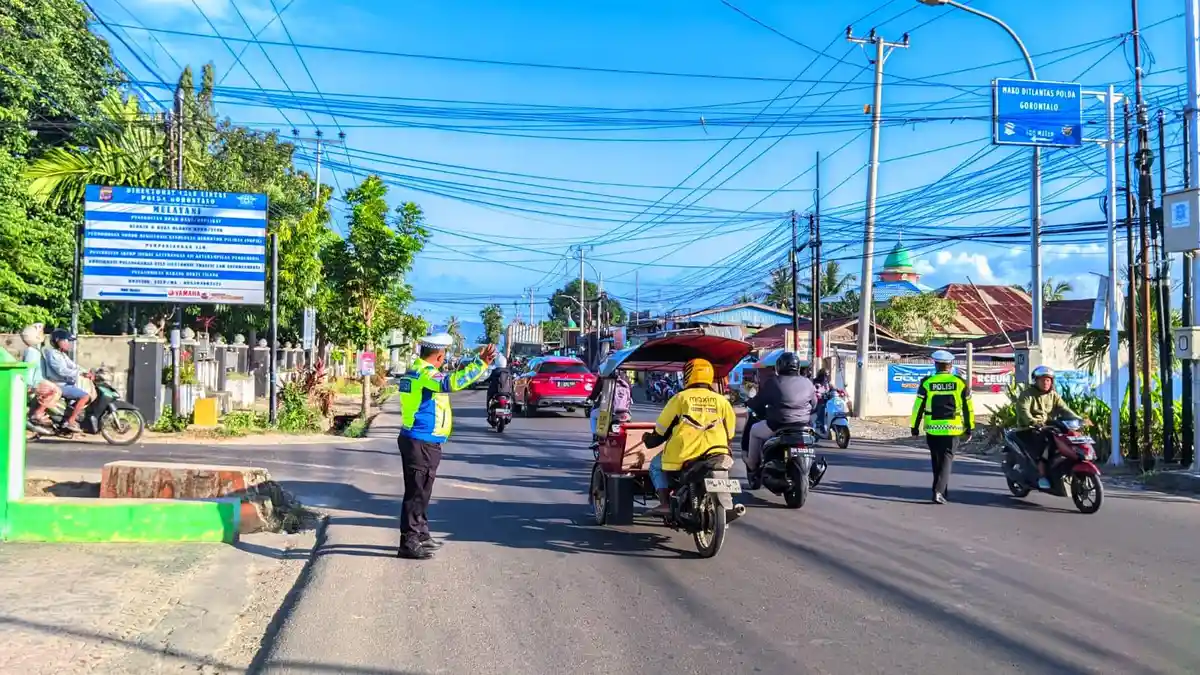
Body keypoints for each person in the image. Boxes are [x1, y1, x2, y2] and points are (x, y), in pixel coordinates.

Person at [395, 333, 495, 560]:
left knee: (422, 491)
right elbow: (452, 383)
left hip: (420, 439)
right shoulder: (425, 373)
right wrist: (480, 364)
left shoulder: (415, 370)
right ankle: (409, 541)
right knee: (417, 493)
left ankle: (421, 534)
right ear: (439, 356)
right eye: (444, 355)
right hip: (421, 440)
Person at [641, 358, 737, 515]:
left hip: (684, 454)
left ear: (687, 375)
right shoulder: (722, 401)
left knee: (655, 465)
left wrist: (649, 440)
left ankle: (665, 504)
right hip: (717, 452)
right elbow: (730, 433)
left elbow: (662, 431)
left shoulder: (680, 398)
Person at [910, 350, 974, 504]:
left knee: (936, 460)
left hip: (933, 429)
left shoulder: (927, 382)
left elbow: (918, 407)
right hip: (952, 429)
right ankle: (939, 491)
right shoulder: (960, 382)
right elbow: (968, 408)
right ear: (950, 365)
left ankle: (940, 490)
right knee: (946, 460)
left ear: (936, 365)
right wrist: (969, 427)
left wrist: (914, 427)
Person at [744, 352, 819, 482]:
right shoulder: (808, 383)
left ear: (779, 367)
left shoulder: (773, 382)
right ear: (797, 366)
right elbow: (814, 404)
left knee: (754, 431)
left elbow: (759, 402)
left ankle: (752, 465)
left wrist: (750, 403)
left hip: (777, 425)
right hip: (803, 425)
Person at [1015, 365, 1078, 490]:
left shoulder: (1053, 395)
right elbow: (1023, 411)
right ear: (1036, 381)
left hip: (1048, 427)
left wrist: (1078, 418)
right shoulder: (1027, 394)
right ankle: (1042, 475)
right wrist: (1033, 421)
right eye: (1042, 380)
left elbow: (1065, 409)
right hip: (1029, 428)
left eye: (1048, 380)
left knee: (1067, 439)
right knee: (1044, 446)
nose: (1045, 383)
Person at [42, 329, 91, 433]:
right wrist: (81, 374)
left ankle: (68, 417)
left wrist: (86, 372)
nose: (68, 343)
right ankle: (70, 421)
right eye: (65, 341)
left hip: (66, 384)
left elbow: (74, 366)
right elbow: (62, 371)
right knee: (85, 396)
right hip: (58, 385)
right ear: (57, 340)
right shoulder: (53, 354)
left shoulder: (61, 354)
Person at [21, 324, 61, 426]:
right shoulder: (32, 352)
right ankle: (38, 413)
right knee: (55, 391)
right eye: (41, 333)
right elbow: (29, 370)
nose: (43, 335)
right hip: (35, 383)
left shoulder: (37, 350)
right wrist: (30, 387)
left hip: (40, 381)